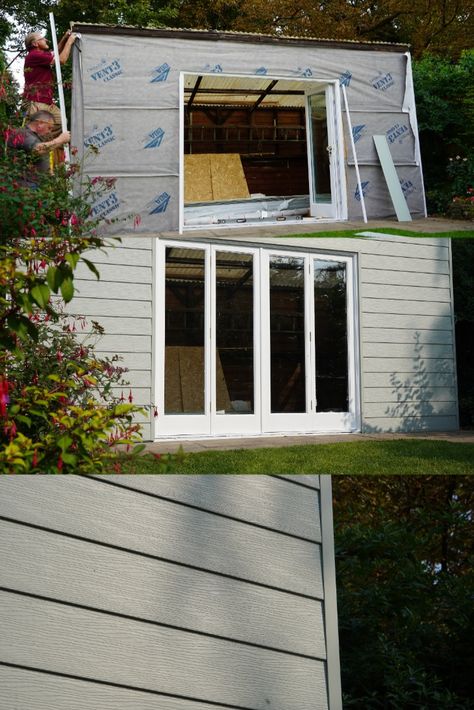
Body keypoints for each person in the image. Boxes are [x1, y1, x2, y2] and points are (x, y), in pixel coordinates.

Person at [23, 29, 77, 138]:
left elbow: (55, 53)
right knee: (39, 131)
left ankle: (44, 143)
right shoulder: (34, 55)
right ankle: (38, 147)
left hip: (46, 101)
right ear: (35, 43)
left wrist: (65, 38)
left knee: (61, 121)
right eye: (42, 39)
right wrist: (70, 42)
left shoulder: (40, 55)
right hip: (37, 102)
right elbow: (61, 60)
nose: (46, 40)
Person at [6, 110, 71, 187]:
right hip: (25, 185)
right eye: (49, 128)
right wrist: (60, 140)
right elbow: (37, 149)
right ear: (40, 123)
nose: (49, 132)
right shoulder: (22, 133)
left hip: (33, 184)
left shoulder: (36, 137)